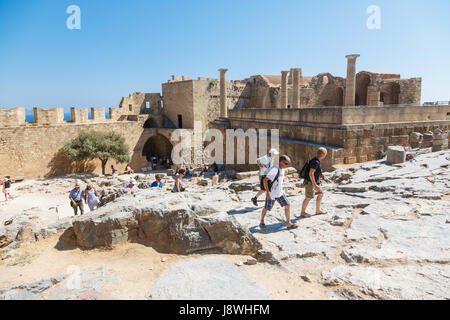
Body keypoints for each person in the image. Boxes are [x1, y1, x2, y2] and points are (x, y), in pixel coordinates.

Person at [260, 155, 298, 229]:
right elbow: (265, 180)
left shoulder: (282, 169)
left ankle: (288, 223)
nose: (286, 166)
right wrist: (267, 193)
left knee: (287, 205)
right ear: (281, 162)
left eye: (288, 164)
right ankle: (262, 221)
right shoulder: (274, 170)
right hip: (272, 194)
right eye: (286, 164)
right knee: (267, 208)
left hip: (280, 193)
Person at [300, 147, 328, 218]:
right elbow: (311, 173)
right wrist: (315, 185)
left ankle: (318, 210)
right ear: (324, 155)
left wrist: (320, 174)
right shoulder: (315, 162)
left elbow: (315, 171)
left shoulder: (316, 160)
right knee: (308, 197)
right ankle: (302, 213)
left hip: (314, 182)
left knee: (321, 194)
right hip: (310, 183)